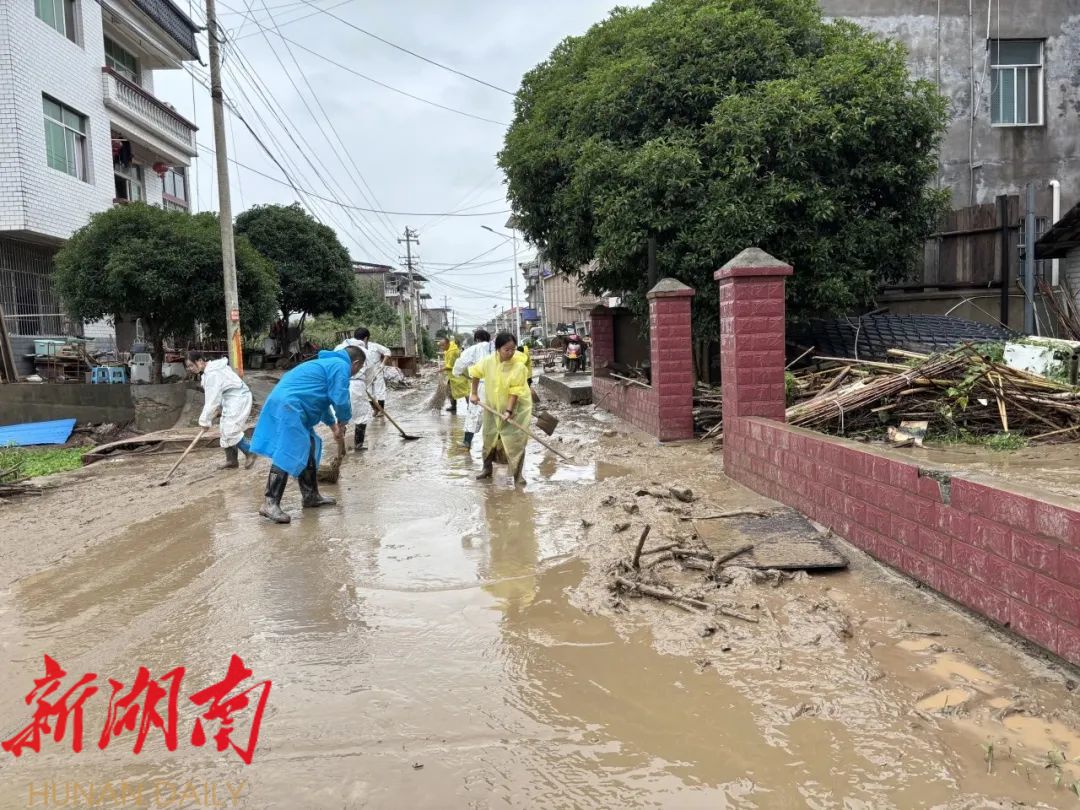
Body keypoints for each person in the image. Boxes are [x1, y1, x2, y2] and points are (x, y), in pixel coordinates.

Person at [249, 345, 365, 524]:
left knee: (309, 444)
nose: (356, 372)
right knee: (289, 449)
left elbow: (323, 401)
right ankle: (270, 502)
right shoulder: (341, 366)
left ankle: (310, 495)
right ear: (355, 363)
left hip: (289, 403)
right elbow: (340, 398)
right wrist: (344, 420)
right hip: (290, 404)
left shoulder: (328, 364)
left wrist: (334, 426)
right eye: (359, 368)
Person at [469, 332, 533, 485]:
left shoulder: (518, 366)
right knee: (489, 437)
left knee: (515, 441)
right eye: (506, 349)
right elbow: (476, 373)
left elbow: (514, 392)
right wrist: (474, 393)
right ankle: (486, 469)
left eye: (513, 349)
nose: (510, 353)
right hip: (492, 408)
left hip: (516, 409)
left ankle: (518, 476)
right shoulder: (488, 361)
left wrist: (509, 411)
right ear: (497, 349)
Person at [186, 351, 255, 470]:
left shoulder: (212, 373)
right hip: (230, 399)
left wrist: (205, 421)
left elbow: (211, 400)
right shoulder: (209, 372)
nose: (190, 369)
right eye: (188, 367)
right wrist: (218, 409)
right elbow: (219, 394)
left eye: (191, 365)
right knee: (224, 428)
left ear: (200, 361)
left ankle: (250, 452)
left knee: (230, 429)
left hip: (239, 398)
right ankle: (232, 460)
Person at [334, 331, 373, 452]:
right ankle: (358, 445)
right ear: (365, 339)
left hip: (338, 383)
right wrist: (365, 385)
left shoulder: (338, 348)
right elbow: (370, 373)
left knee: (340, 414)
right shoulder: (365, 352)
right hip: (357, 384)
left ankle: (341, 448)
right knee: (361, 415)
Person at [453, 329, 492, 449]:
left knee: (473, 413)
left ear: (477, 339)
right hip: (497, 385)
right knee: (496, 413)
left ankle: (467, 442)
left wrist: (457, 373)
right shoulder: (495, 347)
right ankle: (495, 445)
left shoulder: (473, 349)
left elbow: (460, 364)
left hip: (479, 384)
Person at [352, 327, 391, 417]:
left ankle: (381, 410)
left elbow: (387, 352)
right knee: (368, 392)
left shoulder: (374, 346)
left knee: (380, 390)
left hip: (377, 370)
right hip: (364, 372)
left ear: (366, 338)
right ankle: (375, 409)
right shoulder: (355, 349)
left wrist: (383, 364)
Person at [442, 336, 464, 413]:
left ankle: (469, 406)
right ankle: (453, 406)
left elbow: (451, 365)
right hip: (452, 375)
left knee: (465, 391)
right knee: (451, 390)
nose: (442, 347)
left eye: (443, 345)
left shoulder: (453, 352)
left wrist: (443, 369)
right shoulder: (450, 350)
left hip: (458, 374)